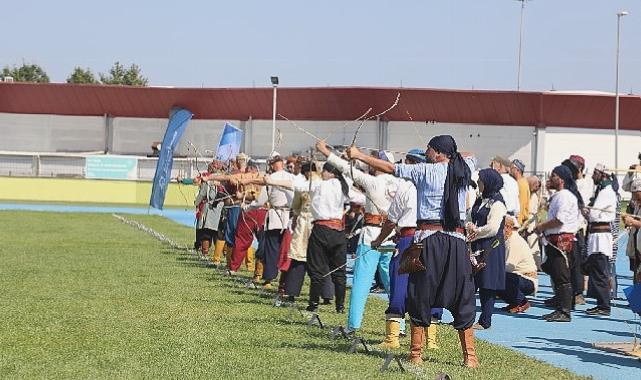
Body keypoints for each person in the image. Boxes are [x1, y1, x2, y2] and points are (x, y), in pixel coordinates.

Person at [347, 135, 479, 368]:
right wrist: (453, 154)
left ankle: (416, 354)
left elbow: (389, 167)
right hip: (457, 242)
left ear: (437, 153)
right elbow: (470, 155)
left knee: (421, 291)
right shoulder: (464, 168)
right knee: (463, 294)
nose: (426, 152)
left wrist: (358, 156)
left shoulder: (424, 171)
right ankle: (470, 358)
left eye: (429, 149)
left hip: (429, 239)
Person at [319, 142, 399, 332]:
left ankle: (353, 326)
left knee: (361, 284)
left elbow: (344, 168)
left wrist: (325, 151)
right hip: (392, 237)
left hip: (372, 236)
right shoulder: (400, 184)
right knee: (392, 285)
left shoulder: (373, 181)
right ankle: (399, 327)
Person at [372, 149, 442, 350]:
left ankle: (392, 338)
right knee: (431, 285)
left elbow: (392, 220)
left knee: (400, 283)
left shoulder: (406, 186)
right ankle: (431, 340)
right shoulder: (437, 185)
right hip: (433, 239)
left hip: (409, 239)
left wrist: (378, 241)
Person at [535, 165, 582, 322]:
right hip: (554, 240)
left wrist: (542, 226)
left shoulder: (564, 196)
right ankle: (560, 306)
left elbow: (559, 220)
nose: (550, 178)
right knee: (556, 274)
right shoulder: (559, 196)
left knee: (562, 277)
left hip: (562, 241)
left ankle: (565, 311)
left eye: (553, 176)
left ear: (561, 179)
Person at [467, 168, 507, 330]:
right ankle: (465, 318)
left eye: (481, 181)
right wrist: (468, 225)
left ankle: (485, 321)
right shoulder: (480, 199)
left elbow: (493, 227)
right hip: (476, 245)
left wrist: (476, 232)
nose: (478, 183)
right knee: (470, 284)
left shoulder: (498, 203)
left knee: (487, 285)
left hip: (490, 248)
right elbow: (470, 216)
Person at [582, 164, 617, 316]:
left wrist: (587, 212)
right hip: (597, 236)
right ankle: (601, 303)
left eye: (595, 173)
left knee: (600, 272)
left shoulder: (606, 192)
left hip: (601, 237)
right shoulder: (603, 191)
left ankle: (604, 305)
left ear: (602, 175)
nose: (593, 176)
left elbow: (595, 215)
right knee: (596, 271)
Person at [498, 217, 538, 313]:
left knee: (499, 277)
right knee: (496, 277)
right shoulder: (507, 239)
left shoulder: (514, 242)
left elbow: (510, 266)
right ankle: (514, 302)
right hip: (520, 277)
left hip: (527, 279)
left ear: (507, 227)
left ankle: (522, 302)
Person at [622, 169, 641, 284]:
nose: (635, 200)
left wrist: (633, 222)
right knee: (637, 275)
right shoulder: (638, 205)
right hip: (638, 249)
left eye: (637, 197)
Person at [491, 156, 520, 220]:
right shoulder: (514, 182)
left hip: (501, 216)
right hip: (513, 216)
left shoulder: (498, 180)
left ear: (500, 166)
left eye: (493, 166)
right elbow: (517, 204)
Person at [527, 176, 542, 270]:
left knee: (533, 244)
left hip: (531, 221)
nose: (536, 187)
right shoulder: (528, 194)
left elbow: (534, 212)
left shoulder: (534, 196)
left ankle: (538, 266)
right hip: (527, 219)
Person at [510, 159, 530, 226]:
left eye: (512, 168)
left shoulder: (521, 184)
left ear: (518, 170)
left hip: (518, 221)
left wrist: (517, 221)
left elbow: (521, 203)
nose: (510, 170)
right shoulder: (521, 182)